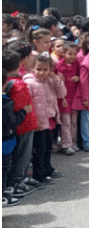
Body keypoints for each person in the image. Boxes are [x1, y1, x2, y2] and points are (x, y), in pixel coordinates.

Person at [3, 48, 42, 193]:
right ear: (20, 63)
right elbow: (22, 107)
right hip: (24, 125)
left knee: (19, 155)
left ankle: (21, 177)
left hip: (16, 126)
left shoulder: (8, 82)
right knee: (23, 155)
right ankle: (18, 180)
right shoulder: (18, 85)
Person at [23, 55, 66, 184]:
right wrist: (33, 122)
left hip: (50, 120)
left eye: (45, 69)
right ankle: (39, 176)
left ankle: (48, 169)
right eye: (39, 69)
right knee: (39, 150)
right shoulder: (29, 82)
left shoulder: (50, 81)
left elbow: (62, 93)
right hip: (38, 123)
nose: (42, 72)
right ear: (32, 68)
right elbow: (27, 104)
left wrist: (56, 79)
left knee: (48, 147)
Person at [3, 69, 31, 207]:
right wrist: (23, 111)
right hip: (5, 144)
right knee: (3, 170)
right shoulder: (6, 103)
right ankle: (3, 196)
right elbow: (13, 121)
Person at [54, 42, 80, 155]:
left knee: (74, 122)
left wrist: (77, 78)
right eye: (70, 53)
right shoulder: (60, 66)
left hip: (75, 97)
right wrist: (62, 97)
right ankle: (66, 144)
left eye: (75, 54)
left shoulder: (77, 64)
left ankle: (74, 143)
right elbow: (59, 83)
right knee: (66, 122)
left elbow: (81, 76)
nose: (72, 56)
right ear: (64, 53)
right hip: (64, 98)